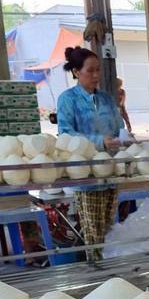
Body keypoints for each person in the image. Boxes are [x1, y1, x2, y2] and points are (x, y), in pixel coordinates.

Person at [56, 46, 123, 257]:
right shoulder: (68, 99)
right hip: (87, 174)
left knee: (108, 228)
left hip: (110, 171)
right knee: (93, 232)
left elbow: (118, 126)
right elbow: (66, 134)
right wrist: (99, 142)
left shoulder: (106, 99)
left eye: (98, 70)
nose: (96, 75)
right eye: (90, 71)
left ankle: (107, 268)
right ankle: (97, 270)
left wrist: (124, 139)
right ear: (76, 72)